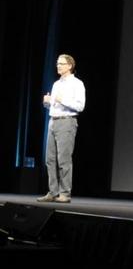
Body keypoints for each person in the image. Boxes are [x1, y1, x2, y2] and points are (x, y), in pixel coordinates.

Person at [37, 54, 86, 203]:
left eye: (61, 63)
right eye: (57, 63)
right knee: (49, 159)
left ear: (70, 66)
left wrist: (61, 99)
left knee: (64, 159)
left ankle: (65, 193)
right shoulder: (56, 84)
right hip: (53, 121)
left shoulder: (77, 84)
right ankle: (53, 192)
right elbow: (53, 106)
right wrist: (47, 103)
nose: (58, 66)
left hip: (67, 122)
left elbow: (80, 106)